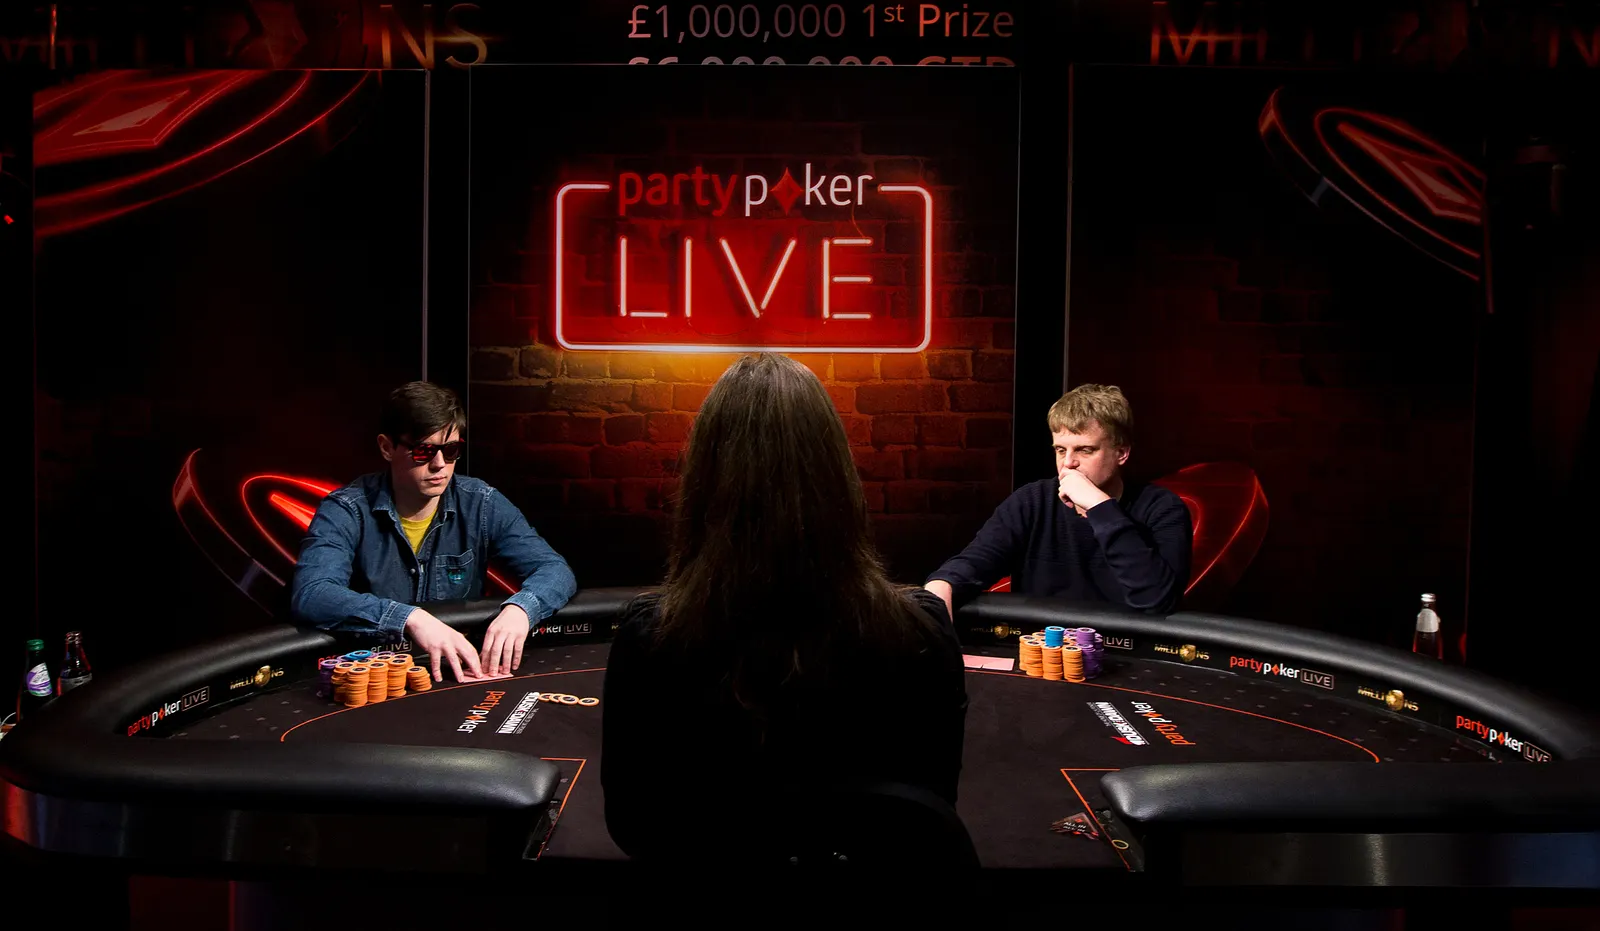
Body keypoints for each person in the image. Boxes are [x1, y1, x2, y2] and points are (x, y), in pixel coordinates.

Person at [601, 354, 968, 860]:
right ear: (838, 475)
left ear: (705, 480)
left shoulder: (652, 639)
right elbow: (930, 815)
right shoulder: (922, 631)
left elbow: (634, 825)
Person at [290, 381, 577, 682]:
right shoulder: (346, 509)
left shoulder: (482, 503)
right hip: (376, 679)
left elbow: (555, 570)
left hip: (456, 675)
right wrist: (411, 618)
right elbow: (313, 593)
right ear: (387, 448)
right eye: (423, 451)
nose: (439, 464)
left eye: (451, 450)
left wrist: (522, 608)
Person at [925, 383, 1191, 616]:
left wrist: (1100, 508)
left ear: (1121, 453)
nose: (1068, 463)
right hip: (1042, 648)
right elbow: (976, 562)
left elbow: (1157, 601)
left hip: (1123, 650)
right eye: (1061, 450)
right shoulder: (1032, 501)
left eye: (1085, 450)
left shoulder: (1163, 509)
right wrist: (942, 585)